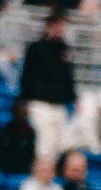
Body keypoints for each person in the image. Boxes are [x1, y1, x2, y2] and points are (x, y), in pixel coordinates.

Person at [19, 12, 76, 160]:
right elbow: (27, 74)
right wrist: (24, 99)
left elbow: (68, 75)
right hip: (40, 103)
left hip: (59, 103)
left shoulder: (64, 49)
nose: (60, 29)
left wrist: (73, 96)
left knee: (59, 145)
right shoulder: (36, 48)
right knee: (45, 144)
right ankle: (41, 176)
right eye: (57, 25)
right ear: (49, 27)